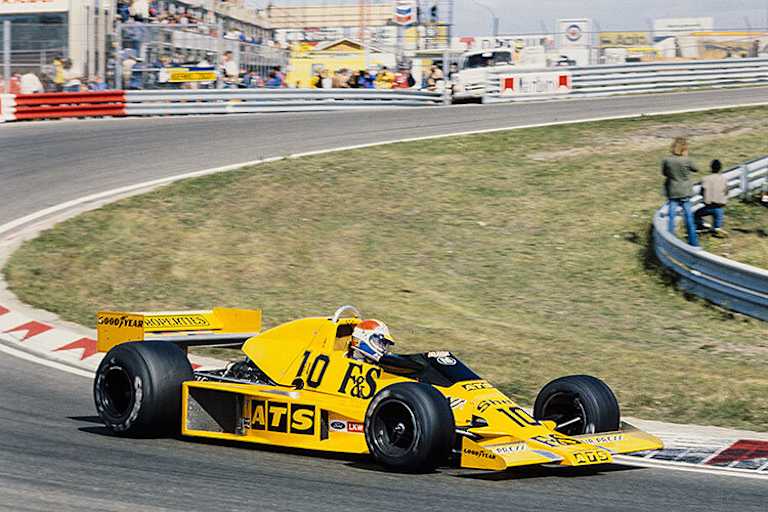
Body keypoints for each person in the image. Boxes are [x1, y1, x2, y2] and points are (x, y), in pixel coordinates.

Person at [662, 137, 700, 246]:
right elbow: (696, 169)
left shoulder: (667, 160)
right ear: (684, 148)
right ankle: (693, 241)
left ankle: (670, 239)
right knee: (688, 216)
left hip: (673, 190)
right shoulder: (687, 160)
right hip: (685, 191)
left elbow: (664, 173)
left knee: (671, 216)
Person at [694, 159, 728, 237]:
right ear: (720, 168)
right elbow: (726, 191)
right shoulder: (724, 179)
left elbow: (701, 192)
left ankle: (701, 225)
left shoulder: (705, 179)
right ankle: (716, 228)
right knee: (718, 216)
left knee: (696, 214)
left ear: (711, 168)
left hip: (708, 206)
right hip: (719, 206)